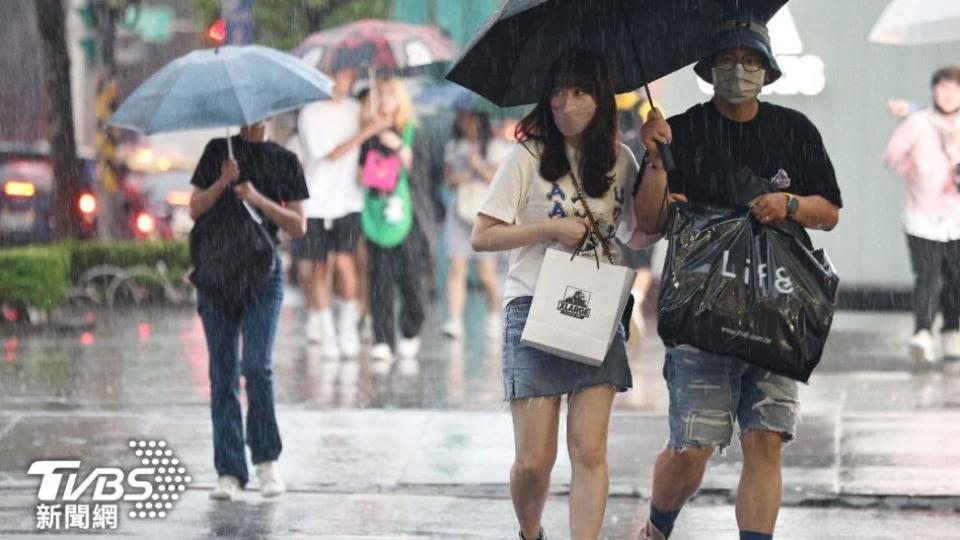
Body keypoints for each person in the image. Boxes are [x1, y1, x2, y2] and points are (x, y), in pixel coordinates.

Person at [633, 19, 842, 540]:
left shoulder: (795, 131)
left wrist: (788, 203)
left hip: (775, 308)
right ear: (708, 70)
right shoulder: (681, 130)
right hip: (701, 308)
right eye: (727, 60)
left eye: (751, 61)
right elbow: (651, 222)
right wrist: (657, 159)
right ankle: (658, 527)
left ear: (767, 72)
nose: (738, 71)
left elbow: (829, 212)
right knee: (692, 446)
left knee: (765, 438)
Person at [472, 49, 654, 540]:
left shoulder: (623, 159)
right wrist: (549, 228)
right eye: (557, 91)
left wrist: (657, 161)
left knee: (590, 450)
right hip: (532, 304)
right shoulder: (528, 156)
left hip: (597, 305)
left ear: (601, 98)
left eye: (578, 91)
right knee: (534, 461)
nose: (565, 102)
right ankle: (531, 533)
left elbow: (641, 234)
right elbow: (483, 235)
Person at [188, 121, 309, 501]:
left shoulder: (285, 160)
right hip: (217, 274)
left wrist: (258, 199)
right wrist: (222, 182)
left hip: (262, 273)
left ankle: (267, 461)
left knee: (256, 367)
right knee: (222, 375)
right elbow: (194, 209)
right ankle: (229, 471)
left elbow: (298, 226)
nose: (255, 118)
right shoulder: (216, 150)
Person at [884, 66, 960, 364]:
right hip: (922, 213)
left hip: (957, 215)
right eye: (942, 87)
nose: (948, 94)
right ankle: (923, 333)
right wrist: (913, 166)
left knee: (956, 278)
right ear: (933, 90)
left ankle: (954, 331)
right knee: (927, 276)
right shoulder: (918, 122)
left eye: (954, 88)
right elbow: (892, 156)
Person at [294, 67, 366, 358]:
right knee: (318, 269)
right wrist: (367, 131)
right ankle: (327, 333)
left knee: (346, 266)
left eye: (346, 75)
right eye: (335, 75)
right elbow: (331, 153)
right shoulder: (309, 113)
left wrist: (373, 122)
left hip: (349, 201)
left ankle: (348, 327)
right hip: (316, 203)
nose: (341, 81)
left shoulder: (357, 109)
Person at [359, 77, 429, 367]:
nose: (385, 100)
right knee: (380, 281)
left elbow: (420, 171)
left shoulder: (412, 131)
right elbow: (359, 171)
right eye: (380, 95)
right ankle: (382, 339)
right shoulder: (368, 133)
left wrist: (399, 146)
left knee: (411, 280)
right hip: (376, 213)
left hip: (407, 214)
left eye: (390, 95)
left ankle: (410, 329)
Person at [442, 105, 504, 340]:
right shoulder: (453, 147)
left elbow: (494, 179)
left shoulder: (495, 147)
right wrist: (459, 176)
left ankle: (493, 314)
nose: (466, 124)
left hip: (484, 216)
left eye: (470, 119)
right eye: (462, 119)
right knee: (456, 267)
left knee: (486, 273)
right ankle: (455, 319)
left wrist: (476, 163)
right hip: (459, 211)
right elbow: (447, 179)